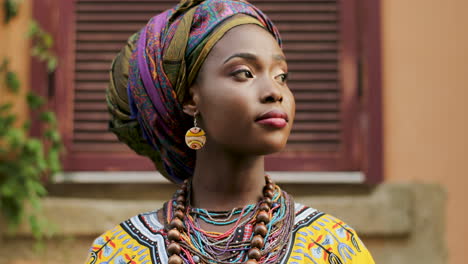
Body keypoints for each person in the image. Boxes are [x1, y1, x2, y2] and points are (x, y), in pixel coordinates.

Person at [85, 0, 375, 263]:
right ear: (189, 98)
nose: (275, 91)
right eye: (244, 73)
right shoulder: (118, 253)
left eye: (281, 76)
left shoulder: (334, 248)